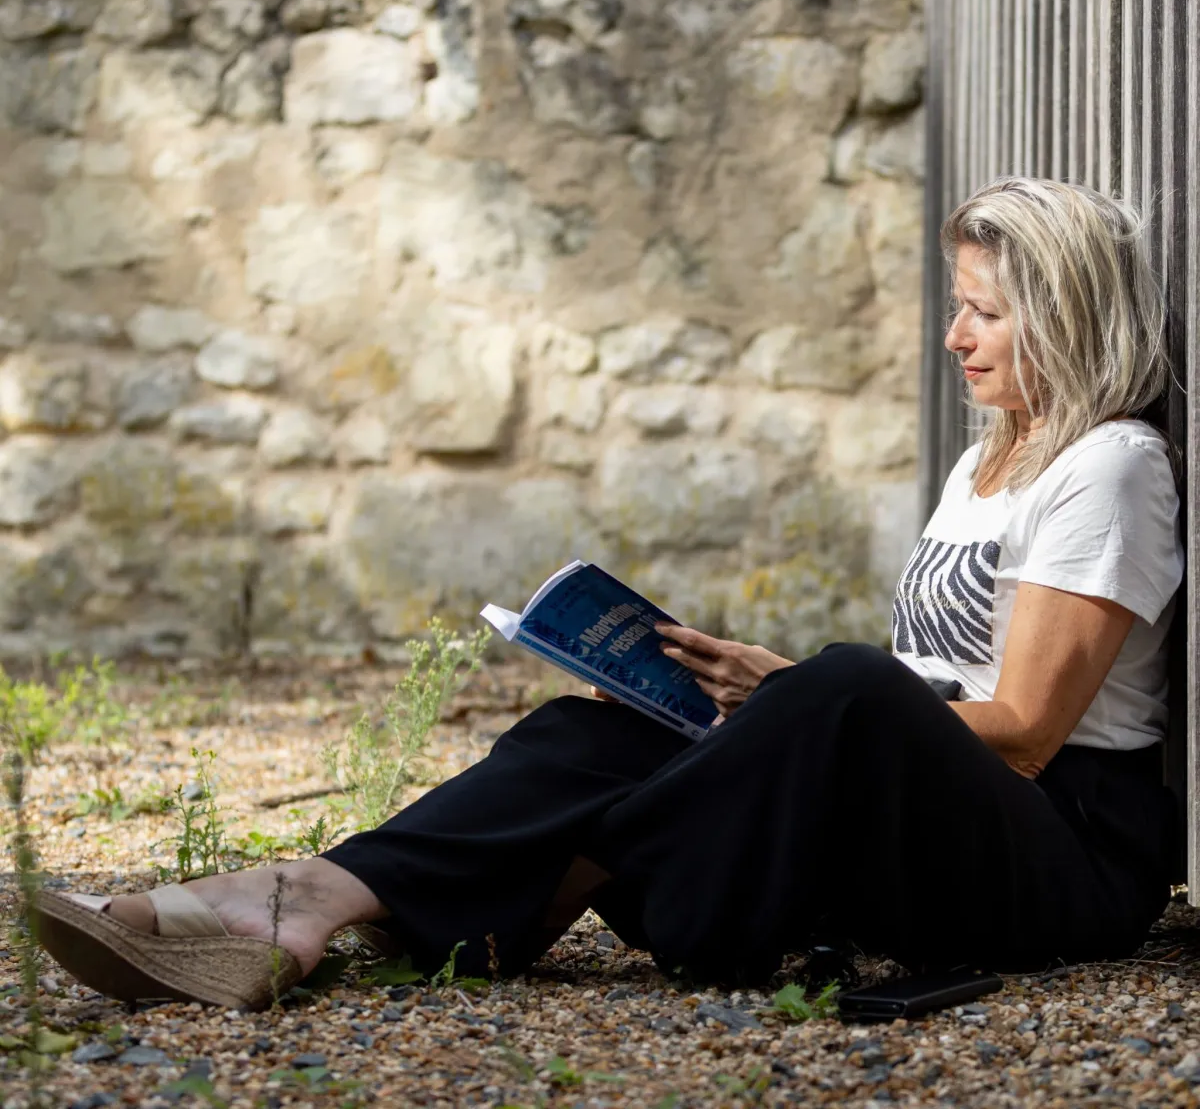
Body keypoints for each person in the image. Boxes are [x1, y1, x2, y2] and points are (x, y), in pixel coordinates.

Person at [35, 177, 1184, 1010]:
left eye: (984, 310)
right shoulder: (991, 458)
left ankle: (533, 879)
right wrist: (757, 710)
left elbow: (1028, 735)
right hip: (925, 813)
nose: (954, 336)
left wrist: (797, 699)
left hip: (1061, 860)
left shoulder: (1111, 466)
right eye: (957, 303)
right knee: (592, 732)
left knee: (844, 683)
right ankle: (299, 899)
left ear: (1065, 312)